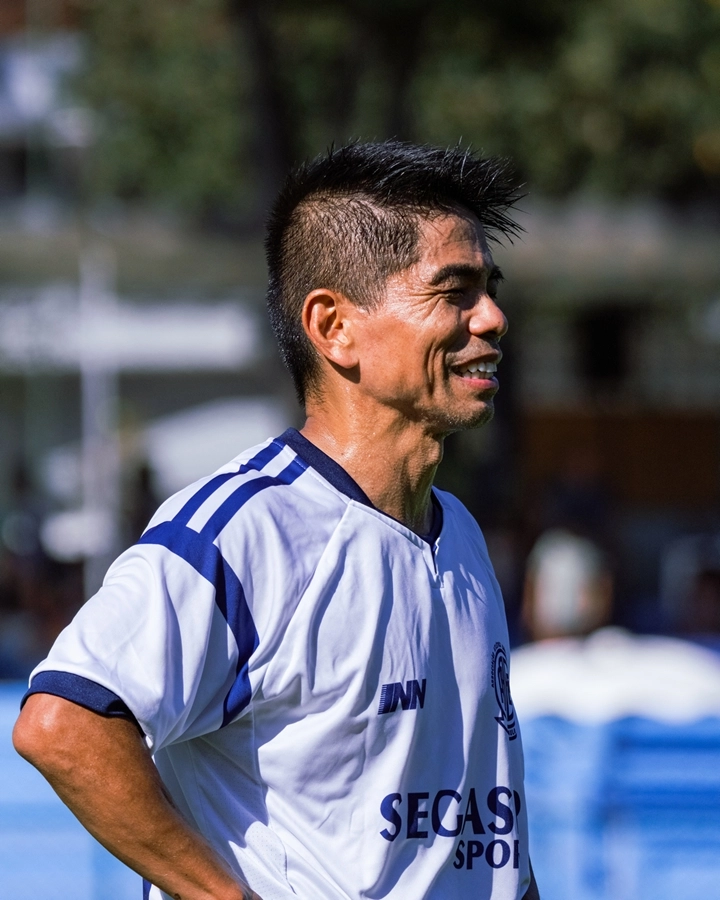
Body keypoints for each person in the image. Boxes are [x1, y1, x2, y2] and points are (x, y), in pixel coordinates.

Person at [13, 141, 540, 900]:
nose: (492, 318)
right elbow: (62, 724)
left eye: (489, 289)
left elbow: (485, 834)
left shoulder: (459, 536)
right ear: (334, 328)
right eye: (453, 291)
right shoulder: (244, 534)